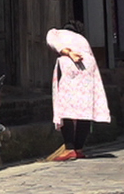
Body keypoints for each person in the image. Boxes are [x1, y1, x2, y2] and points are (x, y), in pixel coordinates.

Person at [45, 20, 110, 161]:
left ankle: (69, 149)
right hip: (88, 67)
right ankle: (79, 148)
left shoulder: (57, 33)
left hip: (71, 63)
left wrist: (68, 53)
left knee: (65, 107)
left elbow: (52, 41)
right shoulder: (82, 39)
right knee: (84, 109)